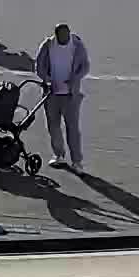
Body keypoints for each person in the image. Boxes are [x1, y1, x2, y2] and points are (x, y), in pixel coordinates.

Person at [34, 22, 91, 173]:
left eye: (67, 36)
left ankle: (77, 162)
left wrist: (75, 79)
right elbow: (39, 67)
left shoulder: (77, 45)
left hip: (70, 95)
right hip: (51, 94)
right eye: (61, 37)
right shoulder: (47, 45)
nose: (65, 39)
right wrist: (47, 79)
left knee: (72, 129)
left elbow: (85, 66)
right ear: (56, 35)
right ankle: (59, 155)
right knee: (53, 126)